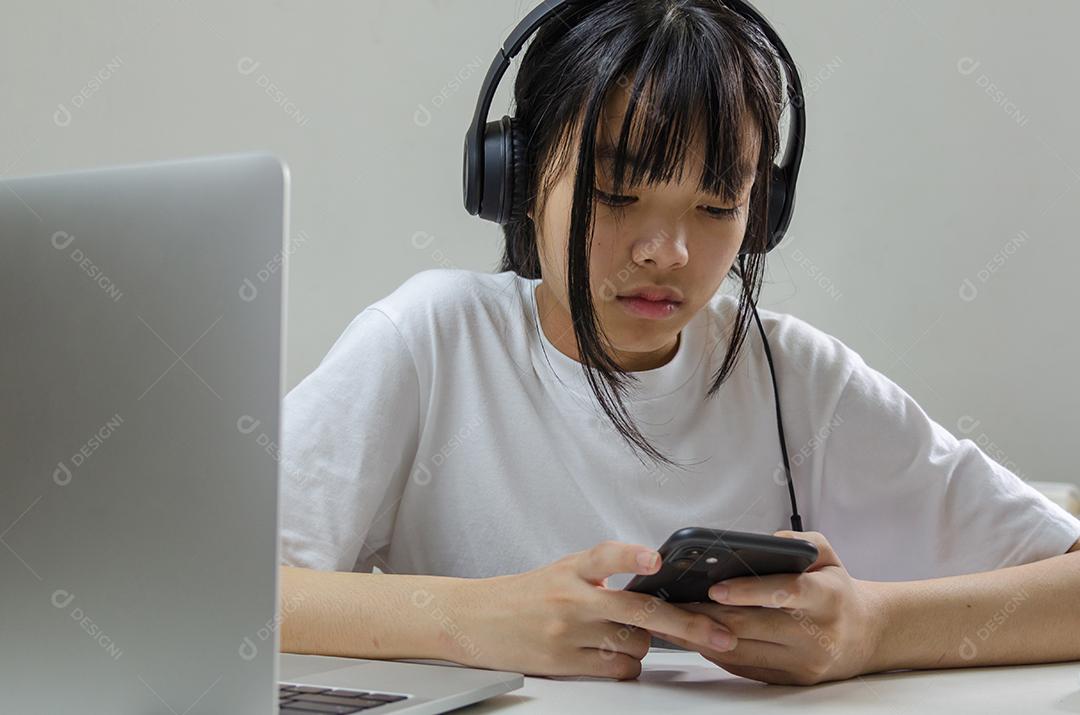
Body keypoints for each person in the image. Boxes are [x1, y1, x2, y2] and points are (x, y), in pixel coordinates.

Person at [277, 0, 1080, 685]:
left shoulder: (795, 378)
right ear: (516, 181)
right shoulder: (428, 343)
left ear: (761, 210)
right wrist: (473, 619)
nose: (669, 252)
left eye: (715, 204)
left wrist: (871, 628)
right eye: (616, 193)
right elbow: (204, 587)